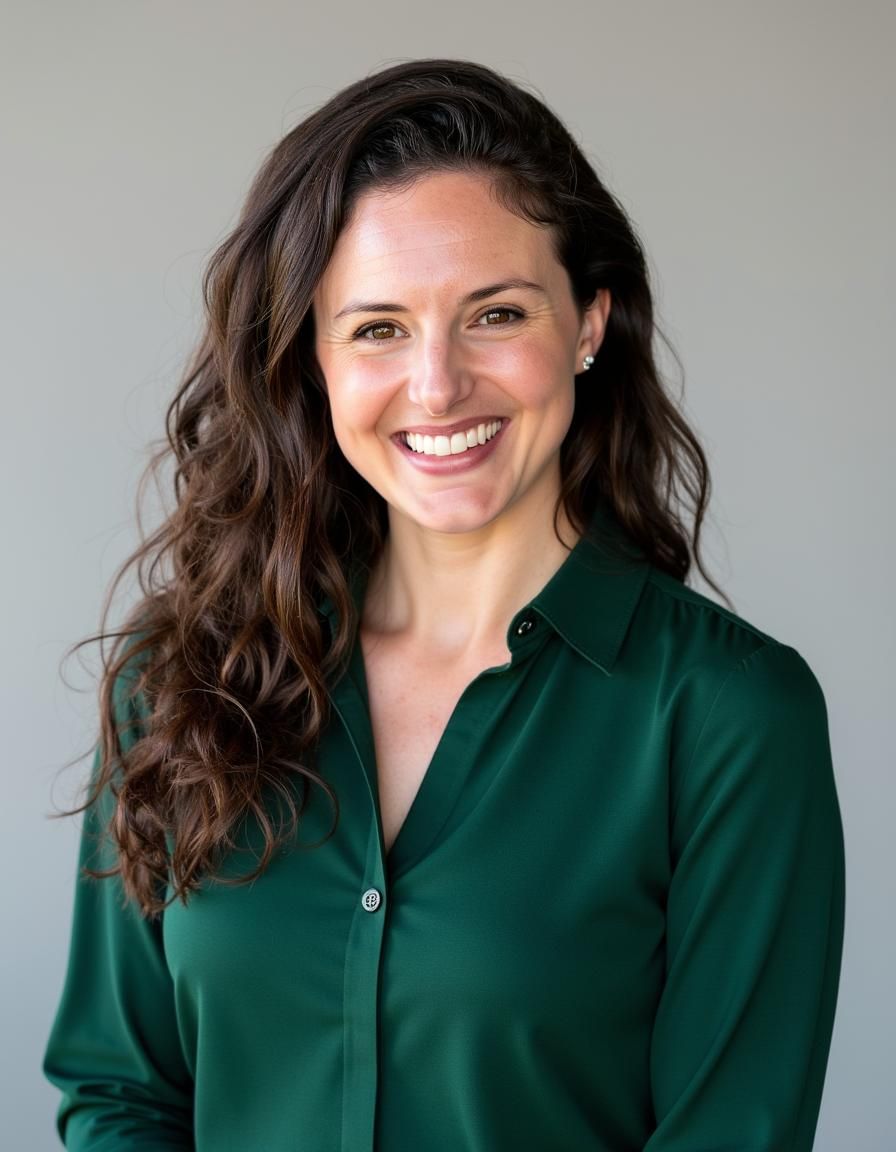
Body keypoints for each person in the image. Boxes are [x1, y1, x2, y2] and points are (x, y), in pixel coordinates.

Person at [42, 57, 845, 1151]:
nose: (435, 386)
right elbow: (119, 1091)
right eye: (376, 327)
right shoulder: (180, 677)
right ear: (311, 359)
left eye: (494, 314)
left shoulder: (727, 718)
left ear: (589, 321)